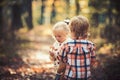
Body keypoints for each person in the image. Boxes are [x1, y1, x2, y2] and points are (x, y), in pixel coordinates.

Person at [59, 15, 97, 80]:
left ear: (71, 30)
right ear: (86, 30)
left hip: (70, 76)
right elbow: (92, 61)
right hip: (85, 77)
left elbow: (61, 60)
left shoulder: (66, 45)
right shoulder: (90, 45)